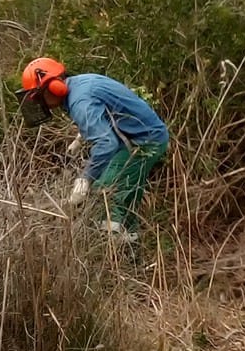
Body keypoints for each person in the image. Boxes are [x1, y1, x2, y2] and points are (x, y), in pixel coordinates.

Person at [17, 57, 171, 240]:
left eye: (39, 97)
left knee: (104, 196)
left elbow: (107, 142)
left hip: (144, 142)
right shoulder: (81, 83)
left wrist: (85, 179)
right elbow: (105, 112)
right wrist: (80, 138)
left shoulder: (80, 101)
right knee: (125, 196)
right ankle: (132, 247)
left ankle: (113, 246)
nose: (40, 103)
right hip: (138, 136)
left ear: (53, 88)